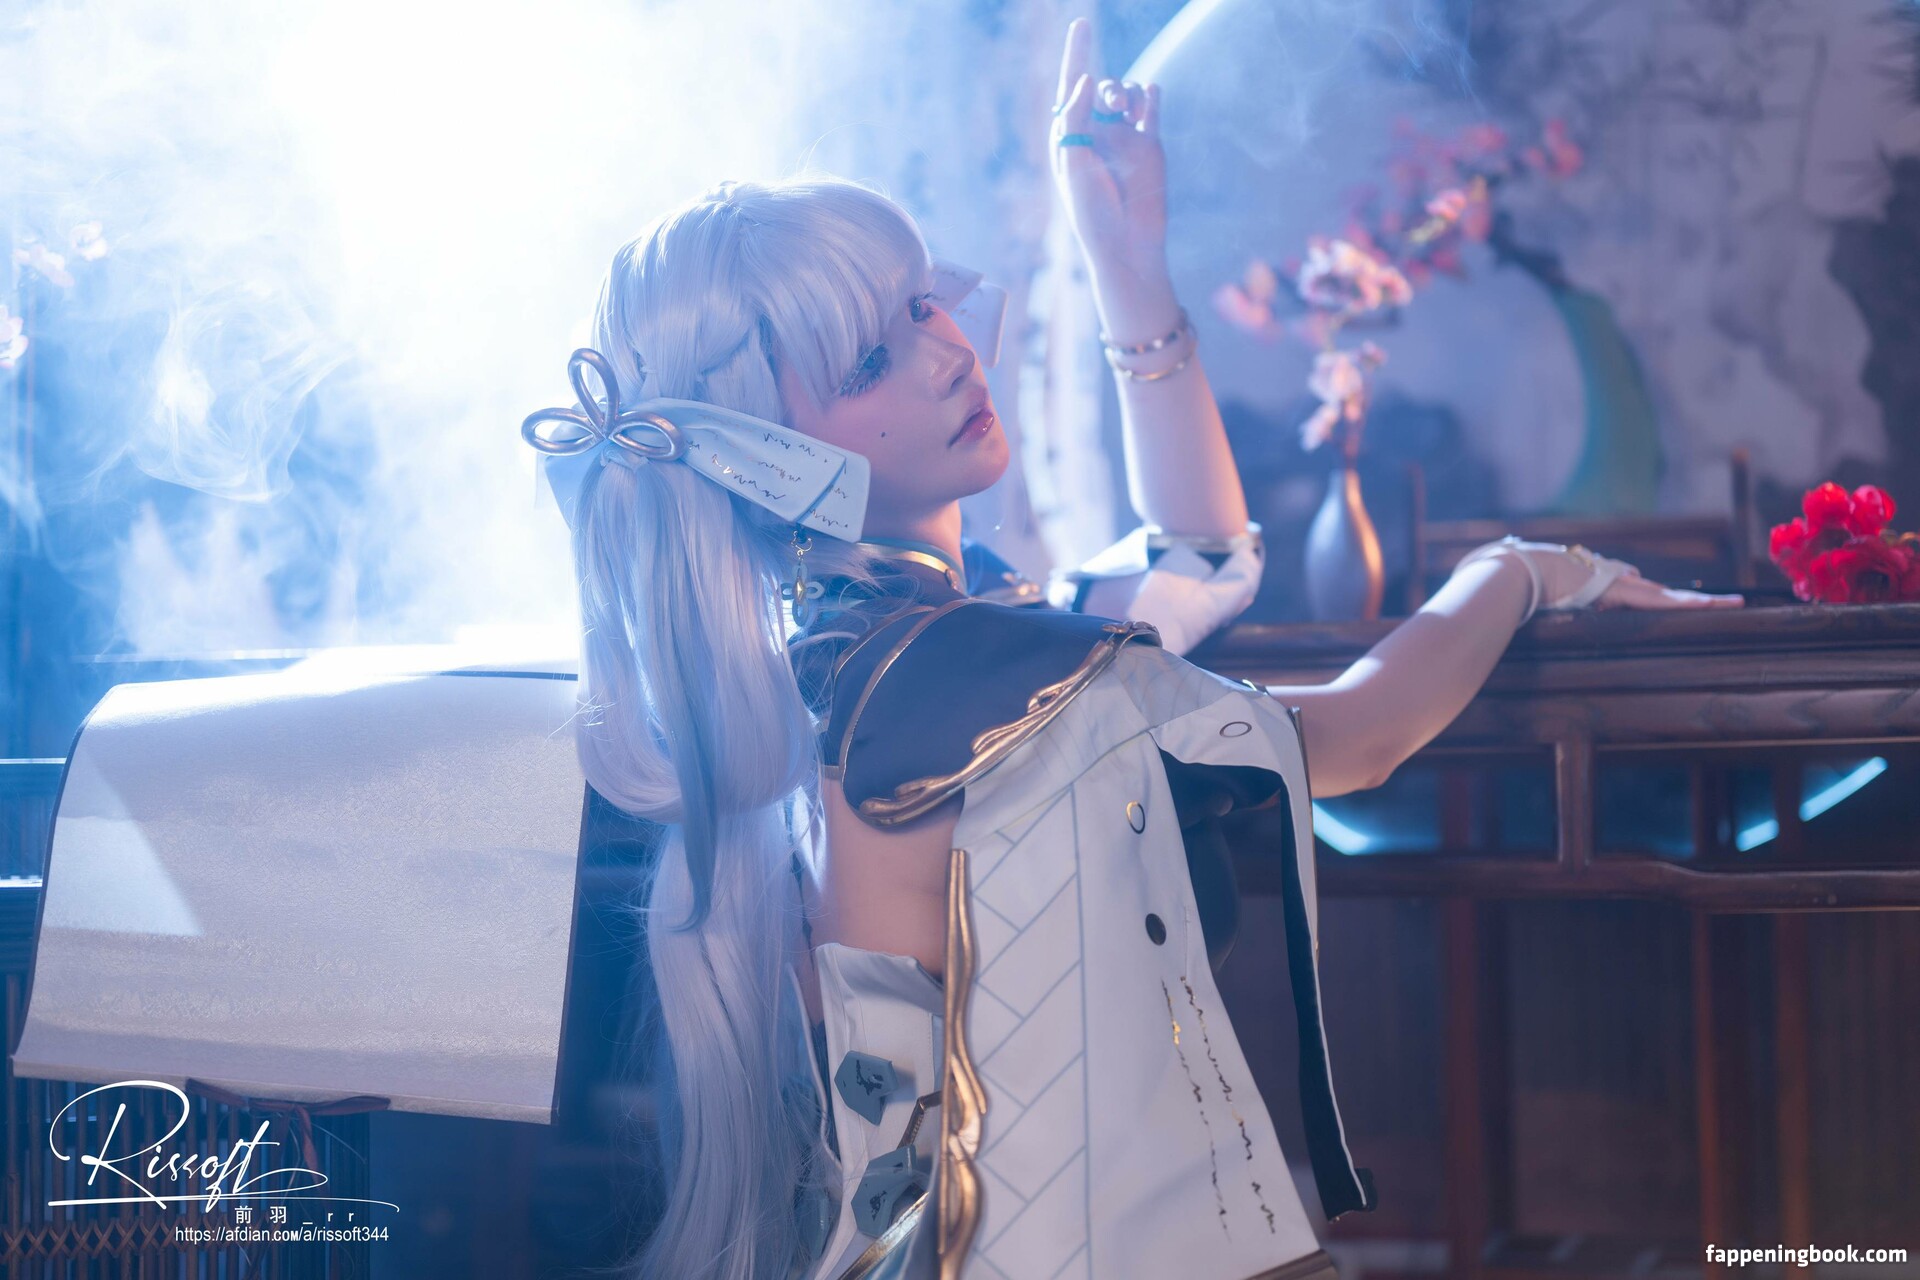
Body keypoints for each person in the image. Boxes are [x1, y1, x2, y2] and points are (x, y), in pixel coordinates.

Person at [526, 20, 1745, 1280]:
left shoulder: (862, 663)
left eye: (923, 301)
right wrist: (1526, 569)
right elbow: (1357, 737)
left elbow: (1197, 559)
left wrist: (1122, 255)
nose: (947, 351)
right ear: (770, 460)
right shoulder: (974, 681)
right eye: (873, 357)